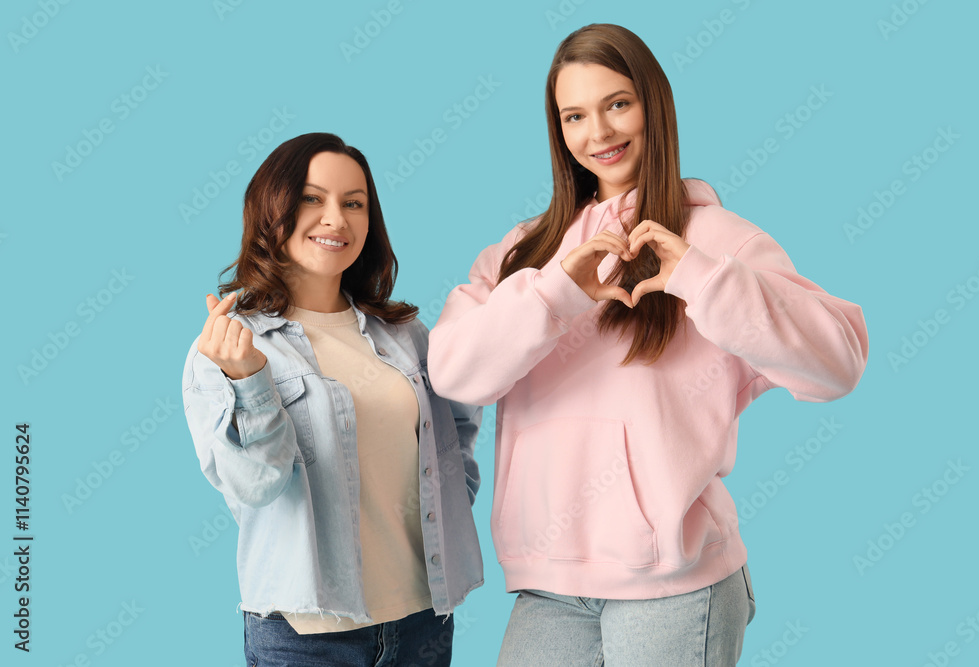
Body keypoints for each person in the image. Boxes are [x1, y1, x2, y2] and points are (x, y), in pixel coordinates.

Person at [427, 24, 868, 666]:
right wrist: (555, 293)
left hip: (675, 586)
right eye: (574, 115)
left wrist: (699, 276)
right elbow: (454, 373)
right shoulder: (524, 253)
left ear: (653, 105)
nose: (598, 133)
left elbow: (837, 363)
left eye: (617, 104)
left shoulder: (719, 240)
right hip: (548, 582)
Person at [181, 132, 483, 666]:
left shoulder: (405, 332)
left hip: (421, 621)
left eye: (354, 203)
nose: (335, 219)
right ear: (271, 209)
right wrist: (250, 380)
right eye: (312, 199)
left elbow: (455, 435)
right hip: (306, 635)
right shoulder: (230, 345)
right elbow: (256, 485)